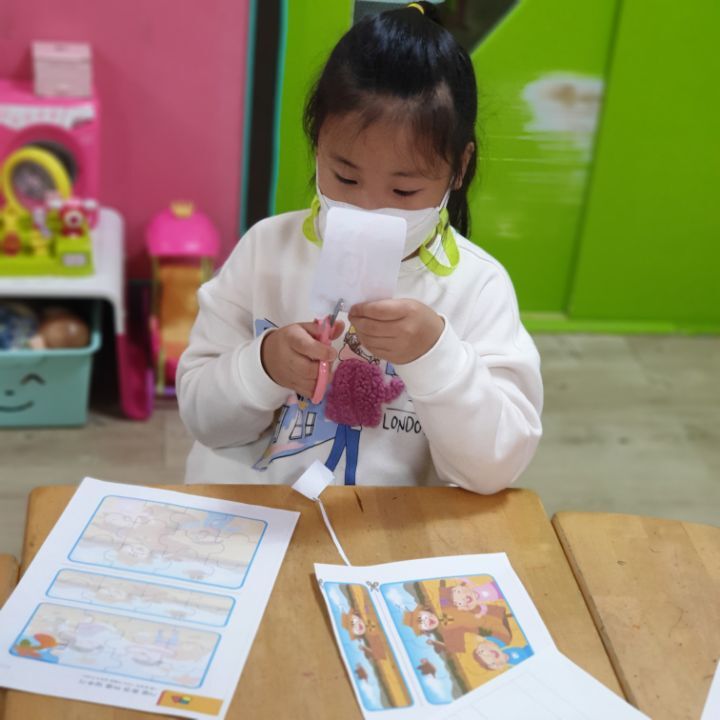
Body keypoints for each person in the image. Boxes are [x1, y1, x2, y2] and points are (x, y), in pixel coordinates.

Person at [177, 1, 542, 492]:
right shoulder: (266, 250)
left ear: (458, 168)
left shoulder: (475, 288)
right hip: (252, 511)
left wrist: (436, 355)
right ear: (318, 147)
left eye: (404, 190)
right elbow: (201, 417)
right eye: (345, 178)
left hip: (383, 527)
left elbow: (493, 469)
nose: (368, 208)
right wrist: (263, 365)